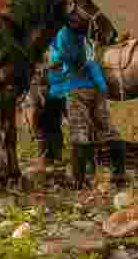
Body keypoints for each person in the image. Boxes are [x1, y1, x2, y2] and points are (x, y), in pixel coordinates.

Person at [47, 22, 126, 189]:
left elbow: (64, 58)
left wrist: (52, 68)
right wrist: (101, 86)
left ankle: (78, 180)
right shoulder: (83, 35)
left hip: (76, 88)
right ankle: (119, 174)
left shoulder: (63, 33)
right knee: (107, 129)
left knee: (79, 131)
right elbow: (91, 62)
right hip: (96, 87)